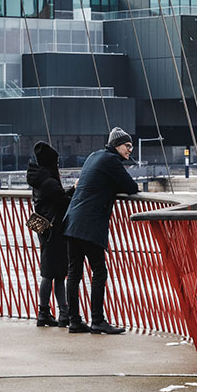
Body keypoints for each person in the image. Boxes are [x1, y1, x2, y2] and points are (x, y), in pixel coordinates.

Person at [62, 127, 140, 335]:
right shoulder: (111, 161)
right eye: (127, 146)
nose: (130, 150)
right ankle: (97, 320)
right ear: (117, 145)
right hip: (90, 224)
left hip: (72, 221)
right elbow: (131, 187)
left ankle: (74, 321)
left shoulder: (94, 156)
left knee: (74, 273)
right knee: (99, 271)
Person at [26, 140, 71, 327]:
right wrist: (76, 188)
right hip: (55, 232)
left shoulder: (40, 179)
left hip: (45, 230)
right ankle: (56, 313)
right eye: (56, 162)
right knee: (55, 274)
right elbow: (64, 201)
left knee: (51, 273)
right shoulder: (50, 182)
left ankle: (54, 313)